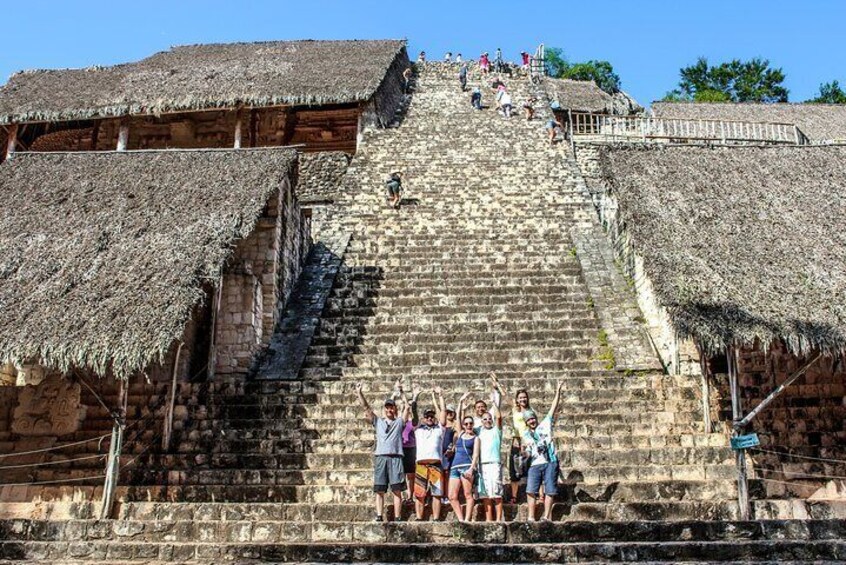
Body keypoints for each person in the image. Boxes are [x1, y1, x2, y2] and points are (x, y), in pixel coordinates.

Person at [357, 383, 408, 522]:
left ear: (394, 409)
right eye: (387, 407)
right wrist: (359, 393)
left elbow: (407, 407)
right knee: (379, 489)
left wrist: (401, 392)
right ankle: (379, 515)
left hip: (396, 457)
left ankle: (398, 517)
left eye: (391, 407)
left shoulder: (399, 422)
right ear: (384, 409)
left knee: (397, 490)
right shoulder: (378, 421)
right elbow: (366, 408)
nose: (389, 409)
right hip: (381, 457)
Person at [521, 380, 565, 522]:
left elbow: (554, 406)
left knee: (550, 490)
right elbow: (527, 452)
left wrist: (557, 390)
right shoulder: (526, 435)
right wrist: (524, 454)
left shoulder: (545, 424)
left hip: (550, 461)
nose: (532, 421)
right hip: (534, 464)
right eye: (529, 420)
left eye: (533, 418)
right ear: (526, 423)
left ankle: (546, 516)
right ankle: (531, 516)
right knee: (530, 490)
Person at [413, 388, 447, 521]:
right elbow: (414, 415)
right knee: (419, 493)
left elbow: (443, 415)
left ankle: (437, 517)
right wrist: (415, 398)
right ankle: (419, 517)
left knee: (437, 493)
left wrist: (440, 396)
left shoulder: (439, 429)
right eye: (427, 416)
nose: (429, 418)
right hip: (421, 464)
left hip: (435, 464)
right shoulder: (418, 429)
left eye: (432, 416)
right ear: (424, 418)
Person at [476, 388, 504, 522]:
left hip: (494, 463)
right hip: (482, 464)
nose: (487, 420)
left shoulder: (496, 431)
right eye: (485, 419)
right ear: (481, 421)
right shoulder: (479, 431)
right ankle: (489, 519)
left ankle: (498, 519)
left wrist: (494, 403)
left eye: (489, 419)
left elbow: (499, 417)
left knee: (497, 492)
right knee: (485, 493)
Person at [447, 414, 479, 521]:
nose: (468, 425)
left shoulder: (476, 438)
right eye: (466, 424)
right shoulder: (460, 434)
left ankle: (467, 520)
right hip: (455, 467)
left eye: (470, 423)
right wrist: (460, 403)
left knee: (468, 494)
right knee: (452, 496)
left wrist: (471, 468)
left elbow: (475, 455)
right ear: (463, 425)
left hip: (466, 467)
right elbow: (458, 414)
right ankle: (461, 519)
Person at [508, 388, 532, 503]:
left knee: (532, 469)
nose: (523, 399)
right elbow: (506, 396)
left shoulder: (531, 411)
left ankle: (539, 495)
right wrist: (496, 383)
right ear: (517, 399)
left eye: (524, 397)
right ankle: (514, 496)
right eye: (520, 397)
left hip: (527, 442)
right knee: (514, 471)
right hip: (516, 442)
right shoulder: (515, 410)